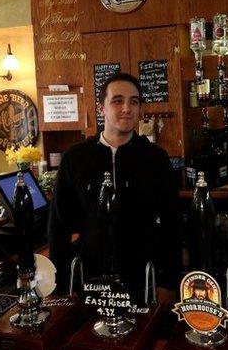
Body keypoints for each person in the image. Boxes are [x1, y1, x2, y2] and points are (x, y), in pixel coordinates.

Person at [48, 73, 181, 305]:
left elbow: (173, 224)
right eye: (117, 100)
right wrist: (61, 284)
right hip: (88, 278)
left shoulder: (155, 158)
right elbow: (58, 225)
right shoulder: (75, 158)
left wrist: (169, 282)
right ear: (102, 108)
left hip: (142, 278)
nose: (127, 108)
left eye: (134, 101)